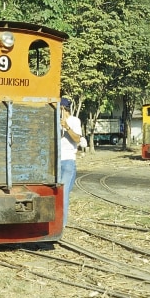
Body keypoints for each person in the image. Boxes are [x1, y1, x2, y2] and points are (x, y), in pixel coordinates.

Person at [60, 97, 82, 227]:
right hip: (55, 161)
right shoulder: (55, 121)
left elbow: (77, 139)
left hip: (67, 161)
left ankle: (61, 225)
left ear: (63, 108)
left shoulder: (74, 121)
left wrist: (67, 127)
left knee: (63, 194)